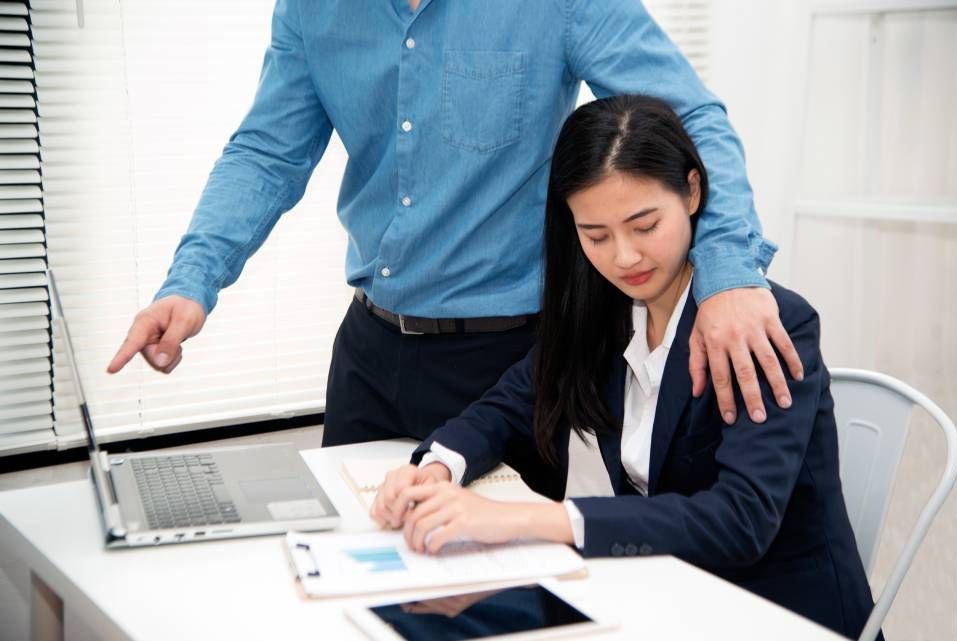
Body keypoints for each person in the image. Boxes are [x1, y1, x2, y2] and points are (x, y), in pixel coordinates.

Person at [105, 0, 804, 449]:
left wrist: (728, 273)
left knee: (489, 598)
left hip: (503, 364)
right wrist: (190, 281)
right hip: (368, 355)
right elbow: (266, 153)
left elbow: (690, 121)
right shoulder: (311, 10)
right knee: (353, 583)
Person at [370, 95, 878, 639]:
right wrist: (436, 469)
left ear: (692, 192)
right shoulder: (605, 309)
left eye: (644, 225)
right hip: (656, 592)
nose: (624, 257)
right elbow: (510, 404)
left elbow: (740, 521)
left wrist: (523, 521)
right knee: (407, 613)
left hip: (766, 612)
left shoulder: (762, 324)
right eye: (596, 236)